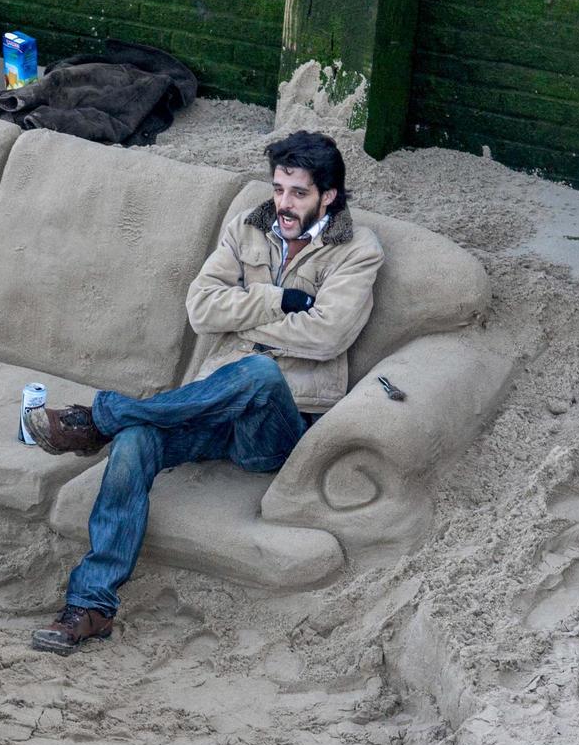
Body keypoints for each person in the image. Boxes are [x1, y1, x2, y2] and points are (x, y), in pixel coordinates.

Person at [24, 131, 384, 654]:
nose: (283, 203)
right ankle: (90, 606)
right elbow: (201, 310)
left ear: (328, 196)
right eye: (279, 188)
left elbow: (329, 335)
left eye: (298, 193)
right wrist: (277, 298)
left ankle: (100, 417)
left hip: (281, 424)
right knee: (135, 443)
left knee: (260, 374)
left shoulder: (357, 250)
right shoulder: (248, 226)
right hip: (213, 405)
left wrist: (246, 328)